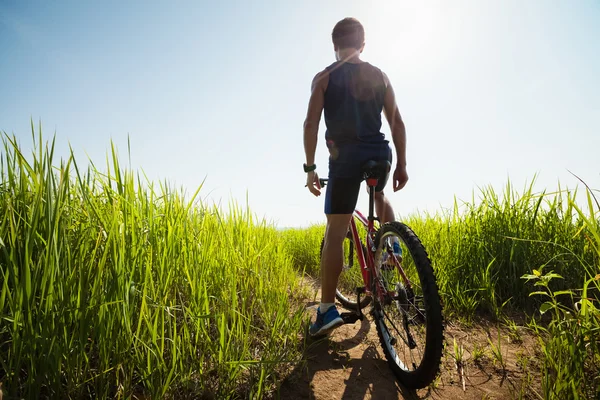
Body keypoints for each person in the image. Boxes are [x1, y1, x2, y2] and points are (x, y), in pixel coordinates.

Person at [303, 17, 409, 337]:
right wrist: (401, 164)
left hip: (345, 157)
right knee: (378, 195)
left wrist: (310, 170)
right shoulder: (380, 76)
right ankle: (393, 246)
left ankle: (326, 312)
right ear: (363, 44)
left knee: (335, 231)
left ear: (335, 45)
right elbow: (397, 123)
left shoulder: (324, 77)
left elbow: (310, 124)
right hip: (379, 151)